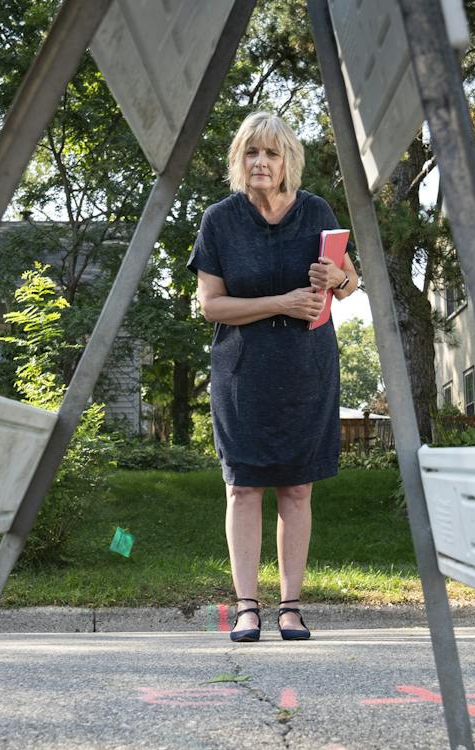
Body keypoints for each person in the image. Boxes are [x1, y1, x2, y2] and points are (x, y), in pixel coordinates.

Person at [187, 111, 360, 643]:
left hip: (307, 367)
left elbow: (349, 283)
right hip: (242, 371)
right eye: (251, 153)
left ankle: (290, 607)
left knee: (297, 488)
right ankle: (245, 607)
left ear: (289, 161)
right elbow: (211, 306)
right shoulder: (220, 219)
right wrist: (280, 302)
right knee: (242, 488)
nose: (260, 162)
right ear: (240, 160)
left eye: (271, 153)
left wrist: (340, 277)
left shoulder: (317, 213)